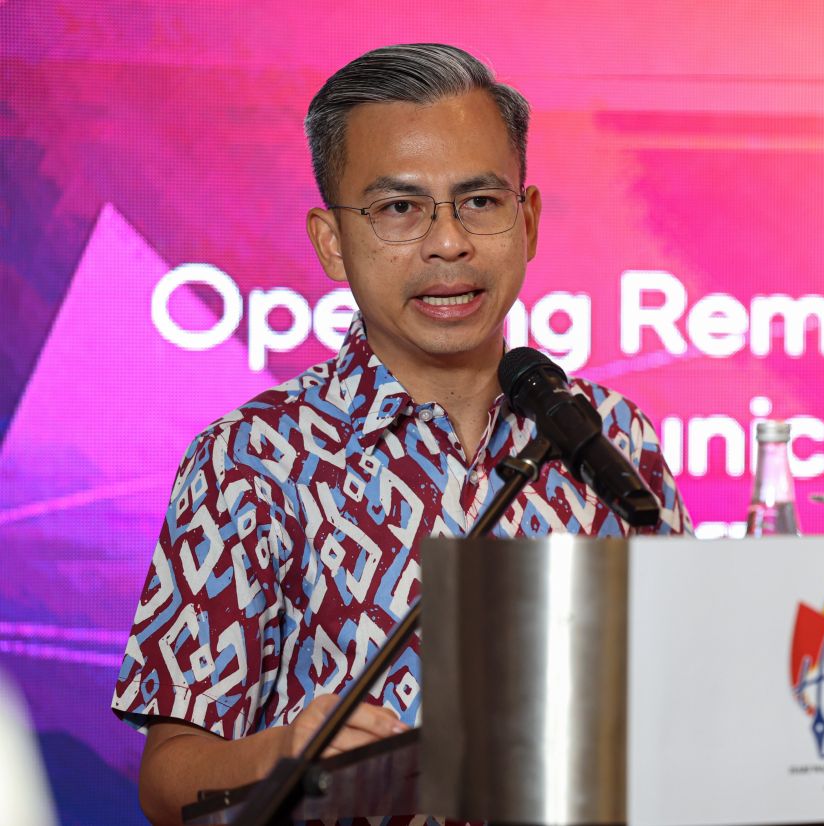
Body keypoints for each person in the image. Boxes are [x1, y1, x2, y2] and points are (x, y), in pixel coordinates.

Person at [111, 43, 692, 826]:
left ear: (526, 221)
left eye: (479, 201)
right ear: (331, 241)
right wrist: (283, 754)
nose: (448, 242)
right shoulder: (253, 459)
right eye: (399, 209)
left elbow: (685, 702)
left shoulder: (609, 435)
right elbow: (167, 781)